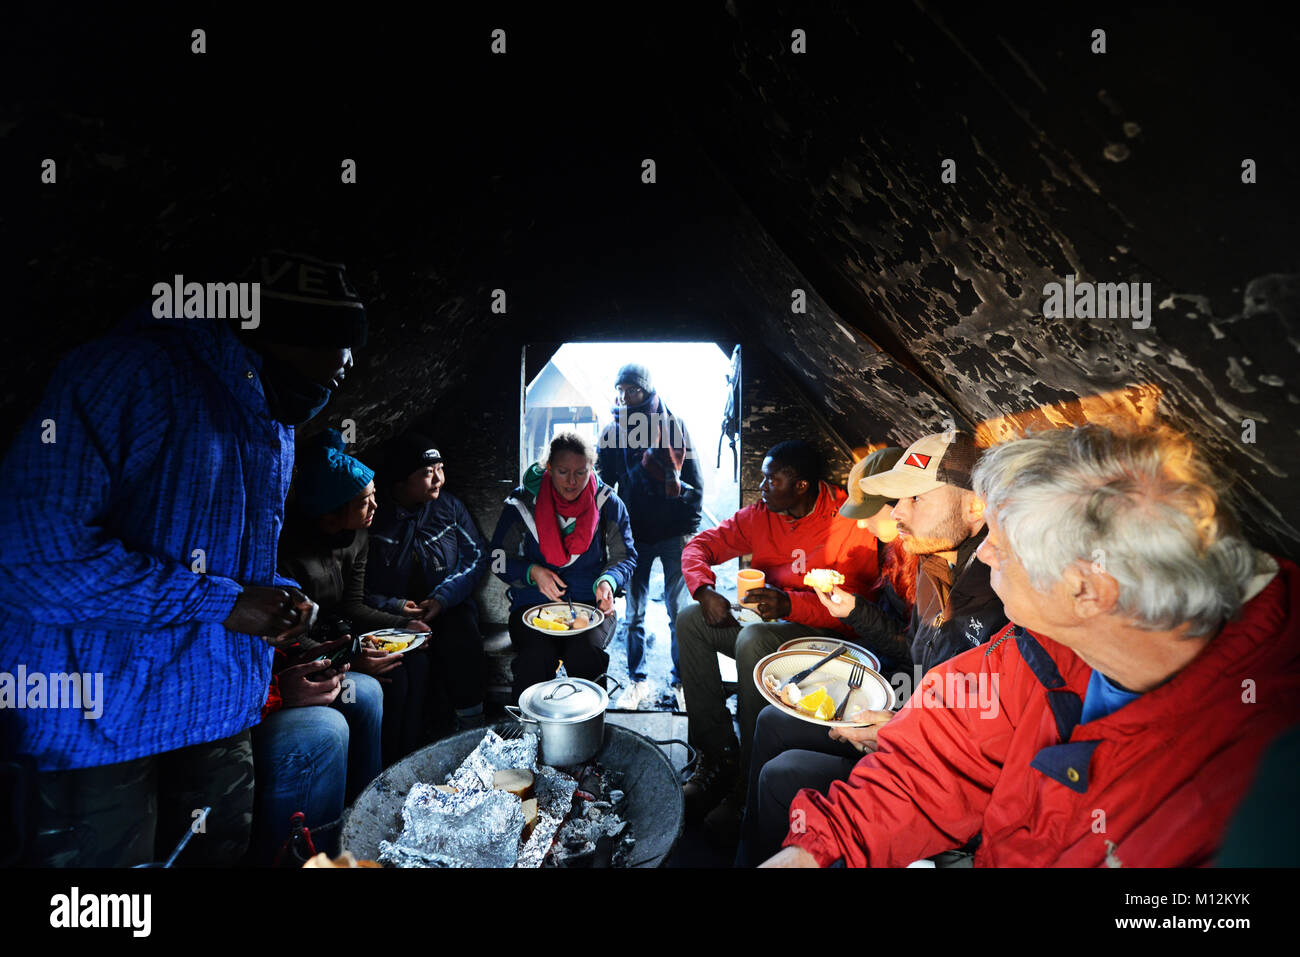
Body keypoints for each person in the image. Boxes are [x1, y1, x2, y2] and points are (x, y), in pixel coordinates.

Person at [763, 424, 1300, 868]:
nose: (987, 554)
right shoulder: (1044, 648)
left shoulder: (1251, 789)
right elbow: (936, 755)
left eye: (1002, 541)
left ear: (1087, 589)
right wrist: (817, 847)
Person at [0, 250, 366, 866]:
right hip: (102, 723)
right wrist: (226, 603)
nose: (347, 366)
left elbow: (222, 562)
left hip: (215, 708)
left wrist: (275, 597)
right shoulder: (129, 376)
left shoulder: (271, 417)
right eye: (335, 346)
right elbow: (32, 558)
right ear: (274, 334)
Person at [738, 435, 1007, 865]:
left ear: (975, 506)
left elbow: (989, 735)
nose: (898, 512)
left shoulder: (1003, 597)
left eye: (915, 498)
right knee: (772, 720)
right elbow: (915, 658)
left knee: (781, 774)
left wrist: (897, 728)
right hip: (909, 722)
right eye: (898, 499)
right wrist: (855, 612)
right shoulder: (933, 567)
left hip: (930, 768)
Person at [675, 439, 882, 840]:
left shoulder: (847, 521)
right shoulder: (760, 516)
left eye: (772, 478)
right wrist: (703, 590)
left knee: (753, 640)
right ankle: (720, 758)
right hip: (769, 620)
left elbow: (856, 612)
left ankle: (746, 788)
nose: (762, 486)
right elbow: (700, 545)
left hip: (824, 636)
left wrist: (789, 604)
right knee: (690, 621)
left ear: (801, 485)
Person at [276, 429, 428, 776]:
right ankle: (373, 780)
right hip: (302, 653)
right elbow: (289, 638)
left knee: (413, 662)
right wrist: (350, 661)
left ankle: (404, 766)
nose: (375, 506)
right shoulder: (290, 556)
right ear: (331, 513)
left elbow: (353, 606)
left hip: (339, 636)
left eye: (373, 496)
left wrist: (406, 626)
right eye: (364, 501)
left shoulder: (358, 536)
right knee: (383, 683)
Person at [491, 432, 638, 699]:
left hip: (590, 607)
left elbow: (625, 556)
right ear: (548, 468)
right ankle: (529, 734)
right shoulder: (522, 504)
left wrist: (608, 582)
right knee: (535, 658)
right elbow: (498, 558)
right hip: (532, 608)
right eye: (562, 472)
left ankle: (587, 732)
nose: (572, 481)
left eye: (581, 473)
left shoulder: (608, 504)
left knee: (586, 656)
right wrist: (531, 572)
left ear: (591, 468)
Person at [366, 432, 490, 734]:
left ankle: (471, 726)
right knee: (408, 667)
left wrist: (443, 598)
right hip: (394, 614)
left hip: (447, 605)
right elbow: (359, 586)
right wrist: (395, 608)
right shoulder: (375, 518)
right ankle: (411, 739)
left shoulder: (449, 508)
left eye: (440, 469)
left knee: (462, 633)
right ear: (400, 483)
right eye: (426, 473)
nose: (438, 479)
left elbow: (476, 556)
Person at [596, 364, 704, 711]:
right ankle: (637, 681)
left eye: (632, 390)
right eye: (620, 389)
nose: (624, 396)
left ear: (647, 391)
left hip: (674, 533)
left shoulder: (674, 427)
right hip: (635, 535)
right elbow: (603, 484)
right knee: (635, 614)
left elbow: (694, 479)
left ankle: (682, 682)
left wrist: (691, 527)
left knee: (679, 612)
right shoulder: (612, 431)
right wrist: (607, 530)